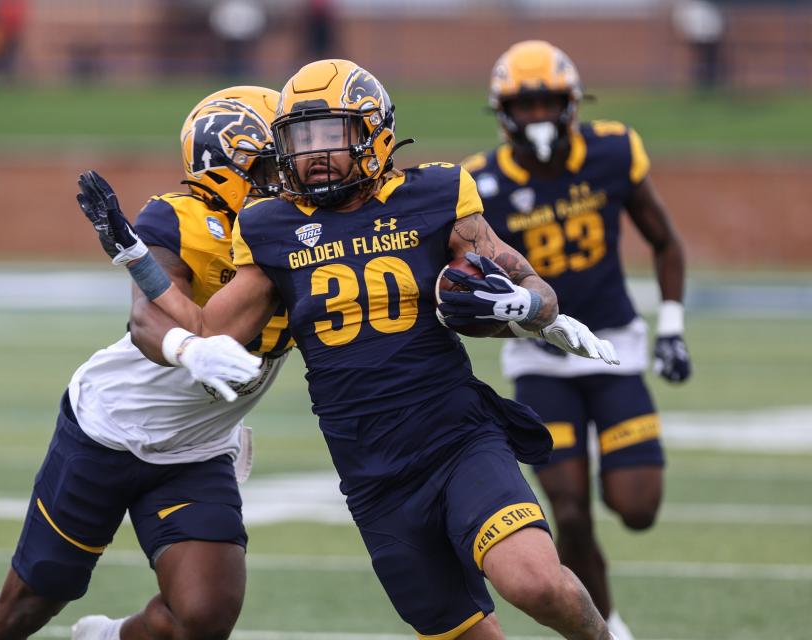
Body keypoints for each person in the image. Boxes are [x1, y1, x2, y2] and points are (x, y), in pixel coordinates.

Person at [81, 58, 624, 640]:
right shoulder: (269, 226)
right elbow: (208, 330)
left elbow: (532, 286)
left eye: (329, 135)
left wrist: (529, 311)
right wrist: (139, 261)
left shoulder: (437, 195)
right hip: (371, 472)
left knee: (536, 584)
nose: (312, 153)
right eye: (297, 138)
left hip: (457, 439)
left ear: (374, 132)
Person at [0, 86, 293, 640]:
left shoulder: (305, 233)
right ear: (226, 164)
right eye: (277, 161)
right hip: (110, 431)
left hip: (197, 447)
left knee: (204, 616)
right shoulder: (182, 219)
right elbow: (146, 320)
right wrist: (192, 348)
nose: (295, 172)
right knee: (29, 604)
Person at [462, 40, 692, 640]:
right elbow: (476, 287)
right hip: (541, 357)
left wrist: (671, 326)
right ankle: (608, 627)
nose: (538, 115)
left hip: (615, 347)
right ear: (504, 111)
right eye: (526, 103)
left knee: (638, 506)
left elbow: (666, 240)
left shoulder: (614, 150)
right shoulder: (480, 182)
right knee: (568, 509)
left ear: (571, 103)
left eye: (548, 102)